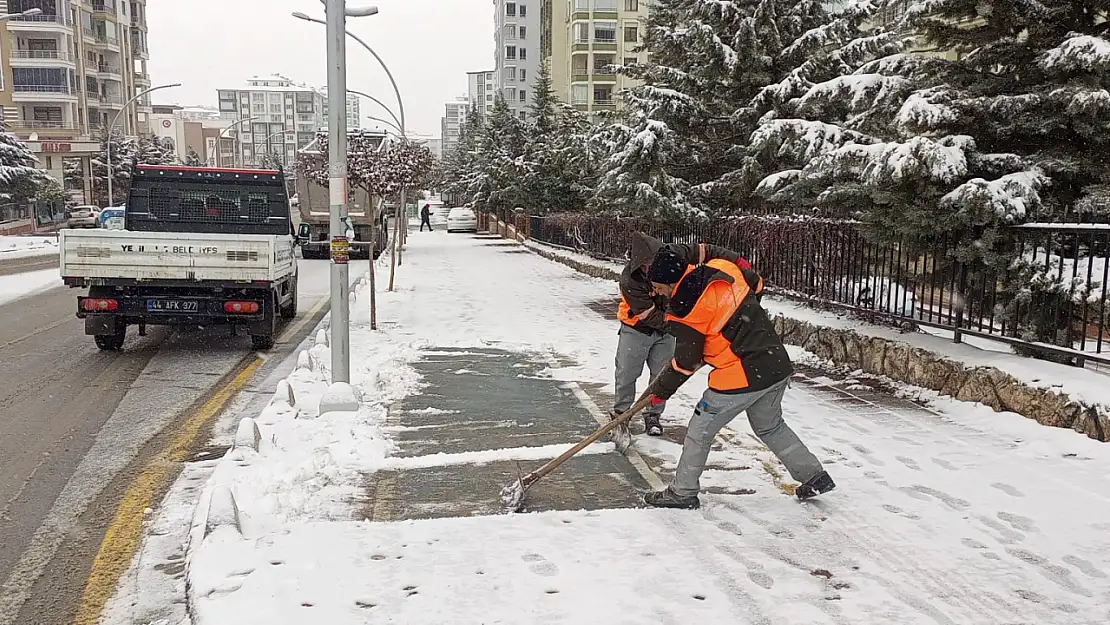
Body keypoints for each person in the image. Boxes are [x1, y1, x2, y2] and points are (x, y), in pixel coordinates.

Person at [639, 246, 835, 509]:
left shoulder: (685, 308)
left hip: (740, 375)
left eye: (659, 286)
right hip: (775, 364)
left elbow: (685, 363)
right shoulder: (724, 270)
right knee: (770, 425)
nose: (657, 292)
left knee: (700, 430)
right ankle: (814, 476)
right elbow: (756, 283)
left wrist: (659, 392)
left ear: (672, 281)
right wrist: (743, 326)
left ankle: (682, 492)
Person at [614, 232, 751, 436]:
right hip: (637, 328)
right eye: (647, 264)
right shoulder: (630, 279)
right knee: (627, 373)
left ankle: (653, 415)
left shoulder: (676, 256)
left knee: (661, 374)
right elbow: (647, 315)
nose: (652, 267)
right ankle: (621, 415)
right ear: (639, 264)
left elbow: (708, 251)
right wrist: (685, 328)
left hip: (670, 328)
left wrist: (737, 260)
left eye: (654, 261)